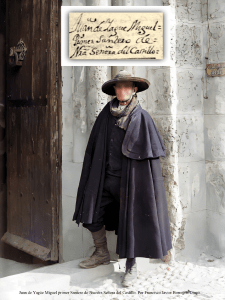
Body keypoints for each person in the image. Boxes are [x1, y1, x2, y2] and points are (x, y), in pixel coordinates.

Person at [72, 70, 172, 287]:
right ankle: (101, 253)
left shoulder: (141, 117)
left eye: (127, 86)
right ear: (114, 90)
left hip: (130, 181)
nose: (122, 90)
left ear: (134, 90)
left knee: (132, 223)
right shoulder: (106, 114)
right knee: (91, 212)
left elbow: (149, 156)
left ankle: (131, 267)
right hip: (105, 179)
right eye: (118, 87)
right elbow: (96, 146)